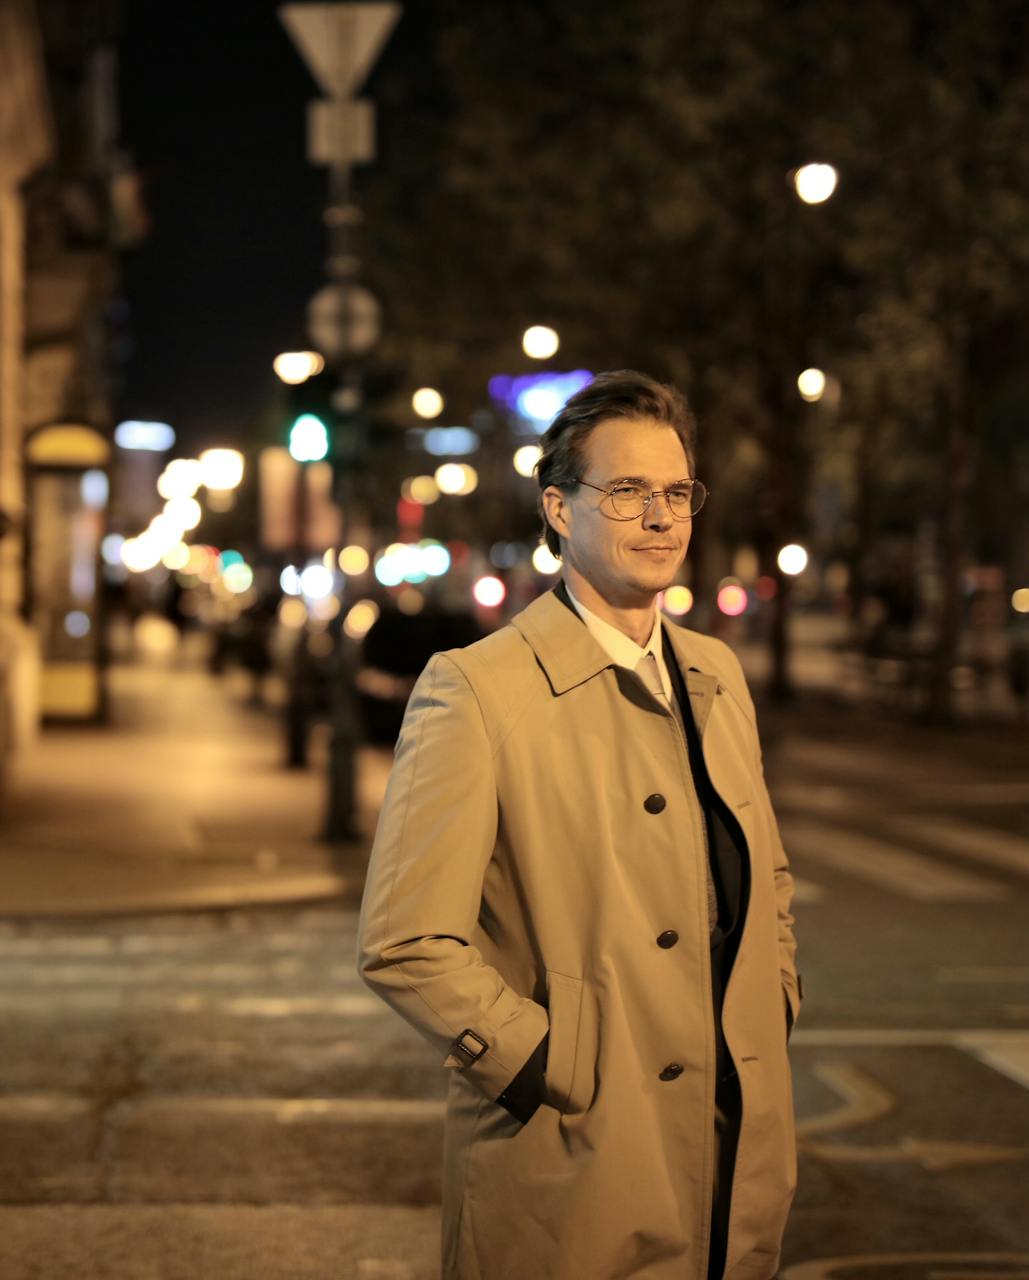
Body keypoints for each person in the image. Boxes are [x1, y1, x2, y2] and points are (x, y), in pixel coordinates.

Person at [357, 371, 802, 1280]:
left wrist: (774, 1001)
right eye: (628, 491)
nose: (660, 518)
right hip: (576, 1157)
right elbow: (405, 939)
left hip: (732, 1147)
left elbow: (768, 881)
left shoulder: (716, 676)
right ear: (559, 509)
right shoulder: (478, 689)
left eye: (676, 492)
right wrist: (547, 1068)